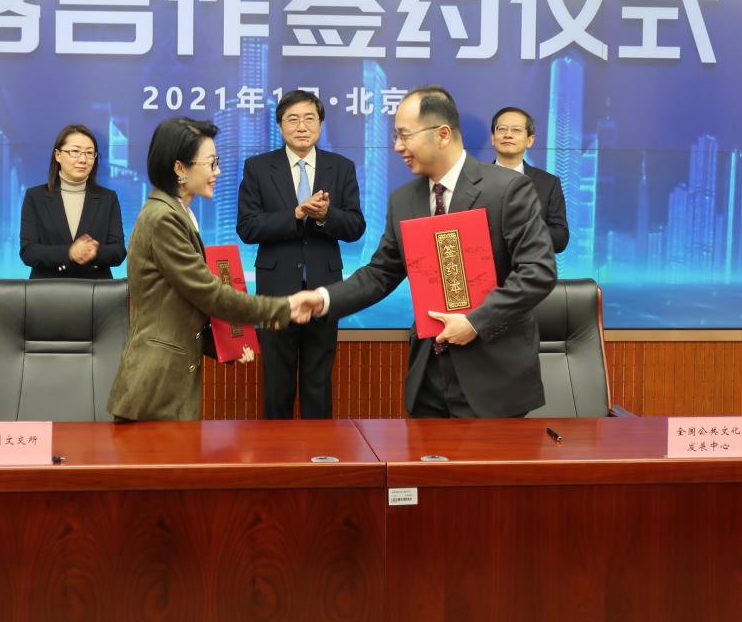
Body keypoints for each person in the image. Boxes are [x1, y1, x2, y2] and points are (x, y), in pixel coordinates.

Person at [293, 86, 556, 418]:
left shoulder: (507, 189)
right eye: (396, 136)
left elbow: (537, 271)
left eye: (405, 135)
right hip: (429, 380)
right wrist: (323, 299)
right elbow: (381, 273)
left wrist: (475, 322)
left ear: (442, 134)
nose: (397, 146)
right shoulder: (404, 200)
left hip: (494, 380)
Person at [107, 117, 312, 421]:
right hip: (155, 386)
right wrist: (285, 308)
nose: (217, 172)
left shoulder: (179, 214)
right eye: (211, 163)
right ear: (180, 168)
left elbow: (180, 309)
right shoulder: (163, 219)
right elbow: (209, 294)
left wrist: (225, 346)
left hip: (169, 379)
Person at [237, 90, 365, 419]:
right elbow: (247, 227)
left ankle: (318, 448)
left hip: (324, 290)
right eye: (292, 119)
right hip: (276, 291)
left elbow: (355, 226)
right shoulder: (258, 167)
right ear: (280, 126)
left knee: (318, 383)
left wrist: (325, 216)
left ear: (321, 124)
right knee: (277, 384)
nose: (301, 127)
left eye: (309, 118)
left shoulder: (341, 167)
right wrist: (294, 214)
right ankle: (276, 450)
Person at [19, 124, 126, 279]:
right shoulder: (35, 197)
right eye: (75, 152)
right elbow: (28, 251)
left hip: (96, 289)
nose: (83, 159)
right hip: (47, 289)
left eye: (89, 153)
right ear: (58, 155)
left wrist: (95, 252)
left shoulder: (108, 198)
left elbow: (118, 251)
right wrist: (69, 253)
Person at [490, 106, 569, 253]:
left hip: (530, 266)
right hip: (486, 266)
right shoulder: (473, 180)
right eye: (502, 129)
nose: (508, 135)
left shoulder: (549, 183)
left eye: (516, 130)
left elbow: (560, 239)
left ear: (530, 140)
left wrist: (528, 230)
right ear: (493, 138)